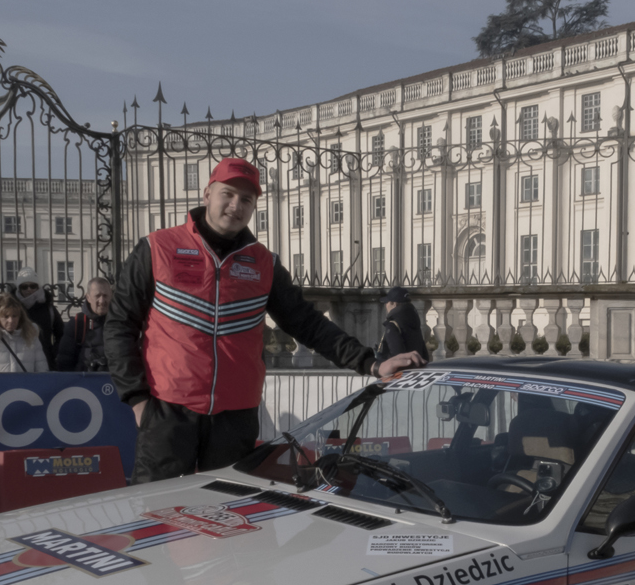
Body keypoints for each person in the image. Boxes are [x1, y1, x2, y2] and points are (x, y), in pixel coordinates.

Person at [105, 156, 423, 483]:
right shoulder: (158, 248)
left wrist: (370, 363)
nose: (235, 205)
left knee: (230, 517)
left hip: (235, 417)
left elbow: (307, 324)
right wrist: (137, 399)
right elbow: (118, 325)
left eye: (246, 199)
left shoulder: (263, 263)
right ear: (206, 194)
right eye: (227, 194)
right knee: (158, 515)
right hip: (167, 410)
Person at [0, 292, 50, 373]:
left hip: (25, 385)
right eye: (6, 317)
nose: (11, 320)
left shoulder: (31, 335)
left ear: (20, 316)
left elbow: (42, 370)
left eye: (14, 316)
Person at [14, 266, 64, 368]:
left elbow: (61, 334)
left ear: (38, 287)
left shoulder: (49, 309)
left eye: (33, 286)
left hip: (45, 360)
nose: (29, 289)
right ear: (19, 288)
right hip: (19, 361)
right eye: (24, 286)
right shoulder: (12, 308)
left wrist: (52, 352)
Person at [58, 276, 111, 371]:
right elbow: (64, 362)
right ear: (88, 297)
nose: (102, 301)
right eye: (97, 296)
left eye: (105, 295)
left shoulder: (120, 323)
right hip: (83, 383)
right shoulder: (77, 323)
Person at [376, 286, 431, 363]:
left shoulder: (393, 325)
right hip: (417, 370)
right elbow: (424, 352)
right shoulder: (414, 321)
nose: (385, 305)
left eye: (386, 302)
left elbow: (397, 357)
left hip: (399, 373)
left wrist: (382, 357)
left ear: (394, 304)